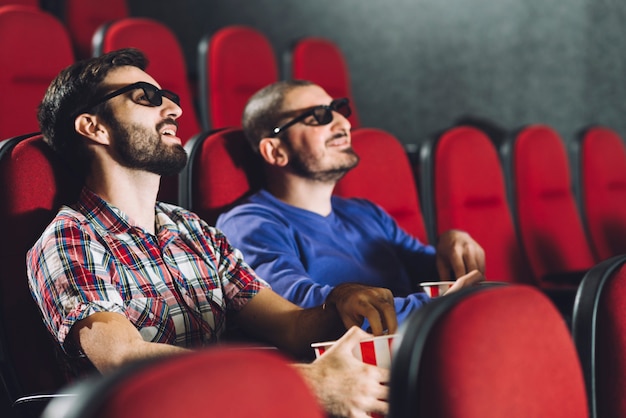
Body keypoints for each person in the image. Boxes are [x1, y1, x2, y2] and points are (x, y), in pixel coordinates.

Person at [27, 48, 397, 418]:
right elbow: (124, 356)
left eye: (169, 98)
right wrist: (306, 383)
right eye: (147, 98)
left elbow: (291, 326)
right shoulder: (70, 238)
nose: (175, 110)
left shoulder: (193, 229)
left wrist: (341, 303)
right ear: (94, 127)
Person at [216, 80, 486, 326]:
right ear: (276, 151)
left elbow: (442, 276)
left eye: (339, 111)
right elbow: (300, 310)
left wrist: (451, 243)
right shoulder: (249, 223)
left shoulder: (366, 212)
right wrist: (450, 305)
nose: (344, 125)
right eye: (318, 116)